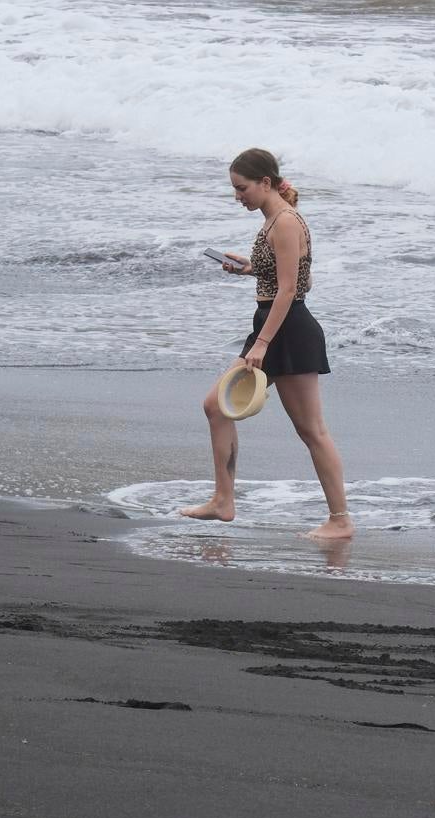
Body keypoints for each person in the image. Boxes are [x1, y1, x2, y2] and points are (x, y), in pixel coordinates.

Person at [180, 148, 352, 541]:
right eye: (234, 189)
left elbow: (293, 289)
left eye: (242, 188)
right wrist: (251, 268)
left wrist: (262, 344)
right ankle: (223, 501)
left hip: (287, 331)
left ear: (266, 183)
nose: (237, 196)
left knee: (312, 431)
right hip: (271, 326)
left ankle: (341, 520)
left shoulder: (286, 222)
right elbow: (290, 275)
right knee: (216, 406)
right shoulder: (273, 219)